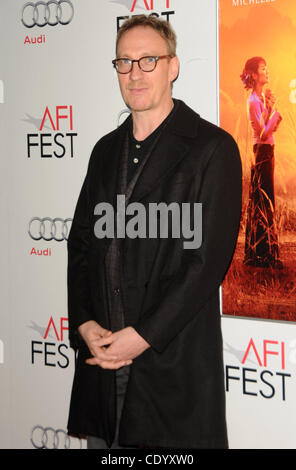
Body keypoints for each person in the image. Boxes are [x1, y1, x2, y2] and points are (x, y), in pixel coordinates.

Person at [67, 15, 242, 449]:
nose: (135, 74)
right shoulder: (105, 150)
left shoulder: (211, 148)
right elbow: (82, 245)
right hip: (104, 365)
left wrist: (142, 337)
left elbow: (205, 265)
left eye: (148, 60)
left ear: (173, 66)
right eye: (124, 63)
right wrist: (84, 321)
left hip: (169, 366)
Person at [240, 57, 282, 268]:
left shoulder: (261, 99)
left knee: (266, 201)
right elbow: (264, 133)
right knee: (263, 201)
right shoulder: (253, 101)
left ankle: (265, 254)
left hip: (267, 151)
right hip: (262, 152)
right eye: (264, 69)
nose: (267, 72)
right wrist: (276, 114)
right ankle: (261, 255)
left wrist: (271, 106)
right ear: (254, 75)